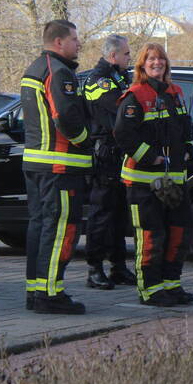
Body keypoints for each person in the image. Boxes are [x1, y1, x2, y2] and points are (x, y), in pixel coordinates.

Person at [113, 43, 193, 307]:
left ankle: (171, 284)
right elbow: (123, 134)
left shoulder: (175, 92)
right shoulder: (135, 95)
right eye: (151, 59)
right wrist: (152, 157)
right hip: (143, 182)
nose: (156, 63)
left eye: (160, 59)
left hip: (175, 179)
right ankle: (150, 289)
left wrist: (188, 149)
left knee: (178, 234)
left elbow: (186, 127)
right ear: (142, 65)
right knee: (151, 236)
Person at [21, 19, 92, 314]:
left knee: (40, 226)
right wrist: (87, 141)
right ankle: (50, 294)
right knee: (61, 229)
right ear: (59, 42)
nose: (78, 44)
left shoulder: (34, 69)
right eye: (74, 39)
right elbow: (64, 116)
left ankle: (36, 290)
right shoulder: (58, 72)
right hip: (59, 166)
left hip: (38, 164)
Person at [82, 34, 137, 289]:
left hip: (119, 154)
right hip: (105, 154)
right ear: (113, 55)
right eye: (126, 53)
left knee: (118, 214)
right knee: (101, 214)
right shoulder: (99, 81)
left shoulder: (119, 77)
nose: (129, 57)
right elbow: (121, 109)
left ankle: (118, 267)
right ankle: (94, 269)